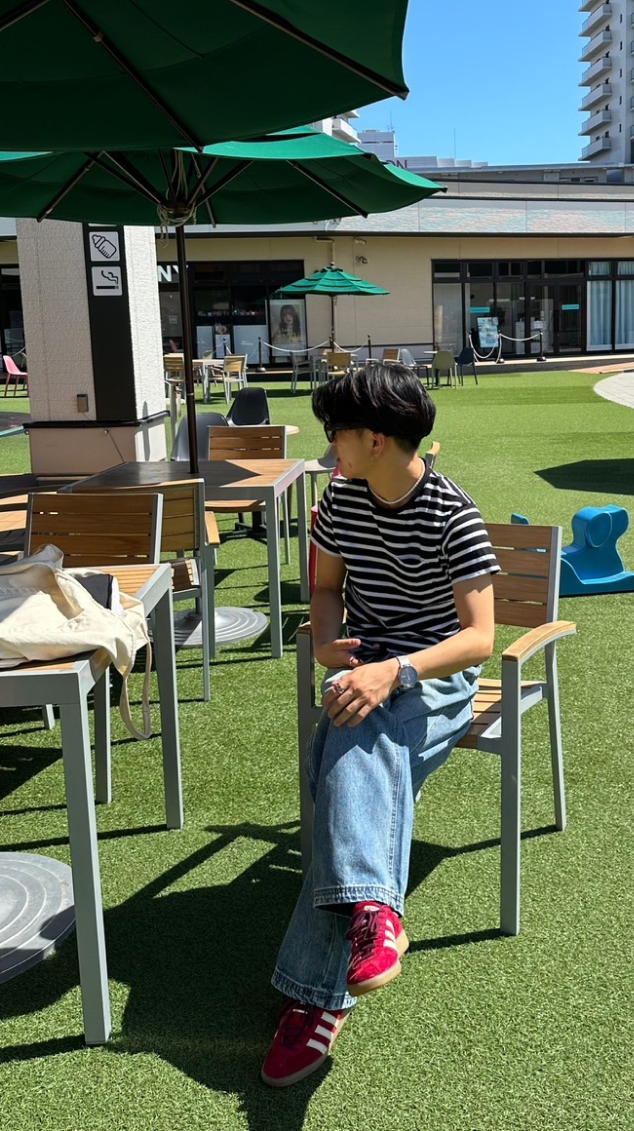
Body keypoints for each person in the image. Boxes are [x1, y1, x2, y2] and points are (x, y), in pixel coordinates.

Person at [261, 364, 498, 1088]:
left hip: (434, 676)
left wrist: (393, 672)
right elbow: (325, 588)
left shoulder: (452, 515)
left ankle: (314, 998)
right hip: (364, 668)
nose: (328, 443)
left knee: (343, 751)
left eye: (336, 430)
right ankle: (373, 915)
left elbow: (479, 638)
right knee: (354, 740)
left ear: (374, 439)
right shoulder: (342, 499)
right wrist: (326, 641)